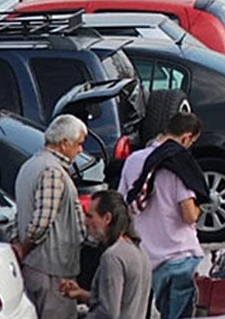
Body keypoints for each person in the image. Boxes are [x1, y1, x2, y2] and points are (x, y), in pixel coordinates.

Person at [120, 112, 208, 319]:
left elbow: (124, 203)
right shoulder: (178, 164)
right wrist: (200, 208)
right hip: (181, 255)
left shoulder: (133, 161)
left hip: (147, 256)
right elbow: (188, 215)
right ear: (186, 137)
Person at [13, 115, 88, 319]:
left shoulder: (30, 165)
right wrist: (24, 247)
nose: (80, 150)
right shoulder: (52, 172)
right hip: (51, 269)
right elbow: (42, 221)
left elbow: (19, 213)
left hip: (37, 266)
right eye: (79, 144)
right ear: (64, 143)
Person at [58, 190, 153, 319]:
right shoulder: (139, 253)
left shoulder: (113, 257)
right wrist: (81, 294)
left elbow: (108, 312)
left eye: (90, 216)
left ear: (107, 218)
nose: (86, 222)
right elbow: (121, 301)